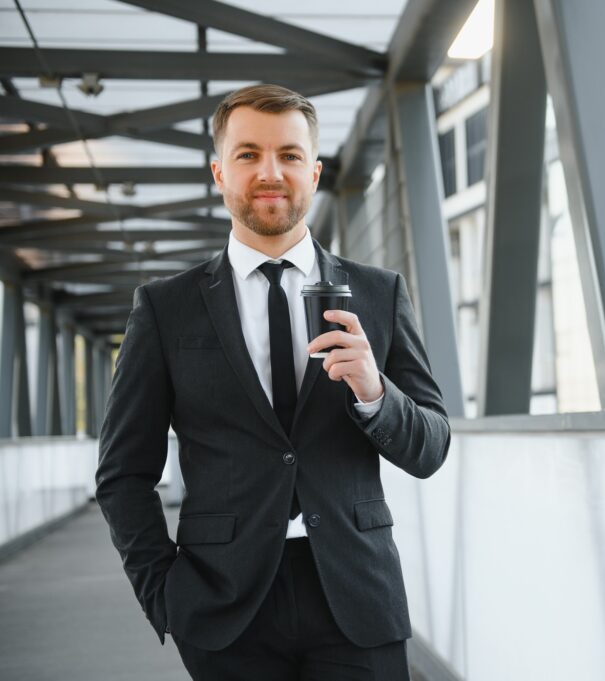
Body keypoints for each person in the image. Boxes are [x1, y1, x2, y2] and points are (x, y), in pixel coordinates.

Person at [95, 84, 450, 680]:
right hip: (224, 605)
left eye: (288, 155)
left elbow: (431, 448)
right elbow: (122, 473)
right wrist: (165, 593)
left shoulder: (379, 292)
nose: (270, 172)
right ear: (218, 171)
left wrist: (375, 393)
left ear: (313, 172)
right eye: (248, 154)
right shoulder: (165, 308)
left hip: (356, 595)